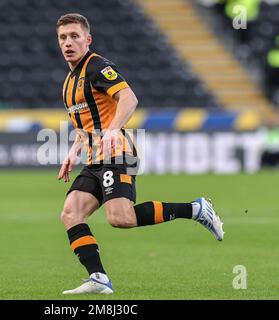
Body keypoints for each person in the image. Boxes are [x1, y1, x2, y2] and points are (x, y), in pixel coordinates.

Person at [56, 13, 224, 295]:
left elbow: (129, 98)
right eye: (63, 37)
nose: (68, 43)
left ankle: (195, 209)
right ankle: (98, 277)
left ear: (88, 39)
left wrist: (112, 130)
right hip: (94, 158)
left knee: (120, 218)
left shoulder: (97, 66)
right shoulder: (68, 83)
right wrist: (73, 151)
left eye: (74, 36)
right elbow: (84, 125)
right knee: (71, 213)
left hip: (118, 152)